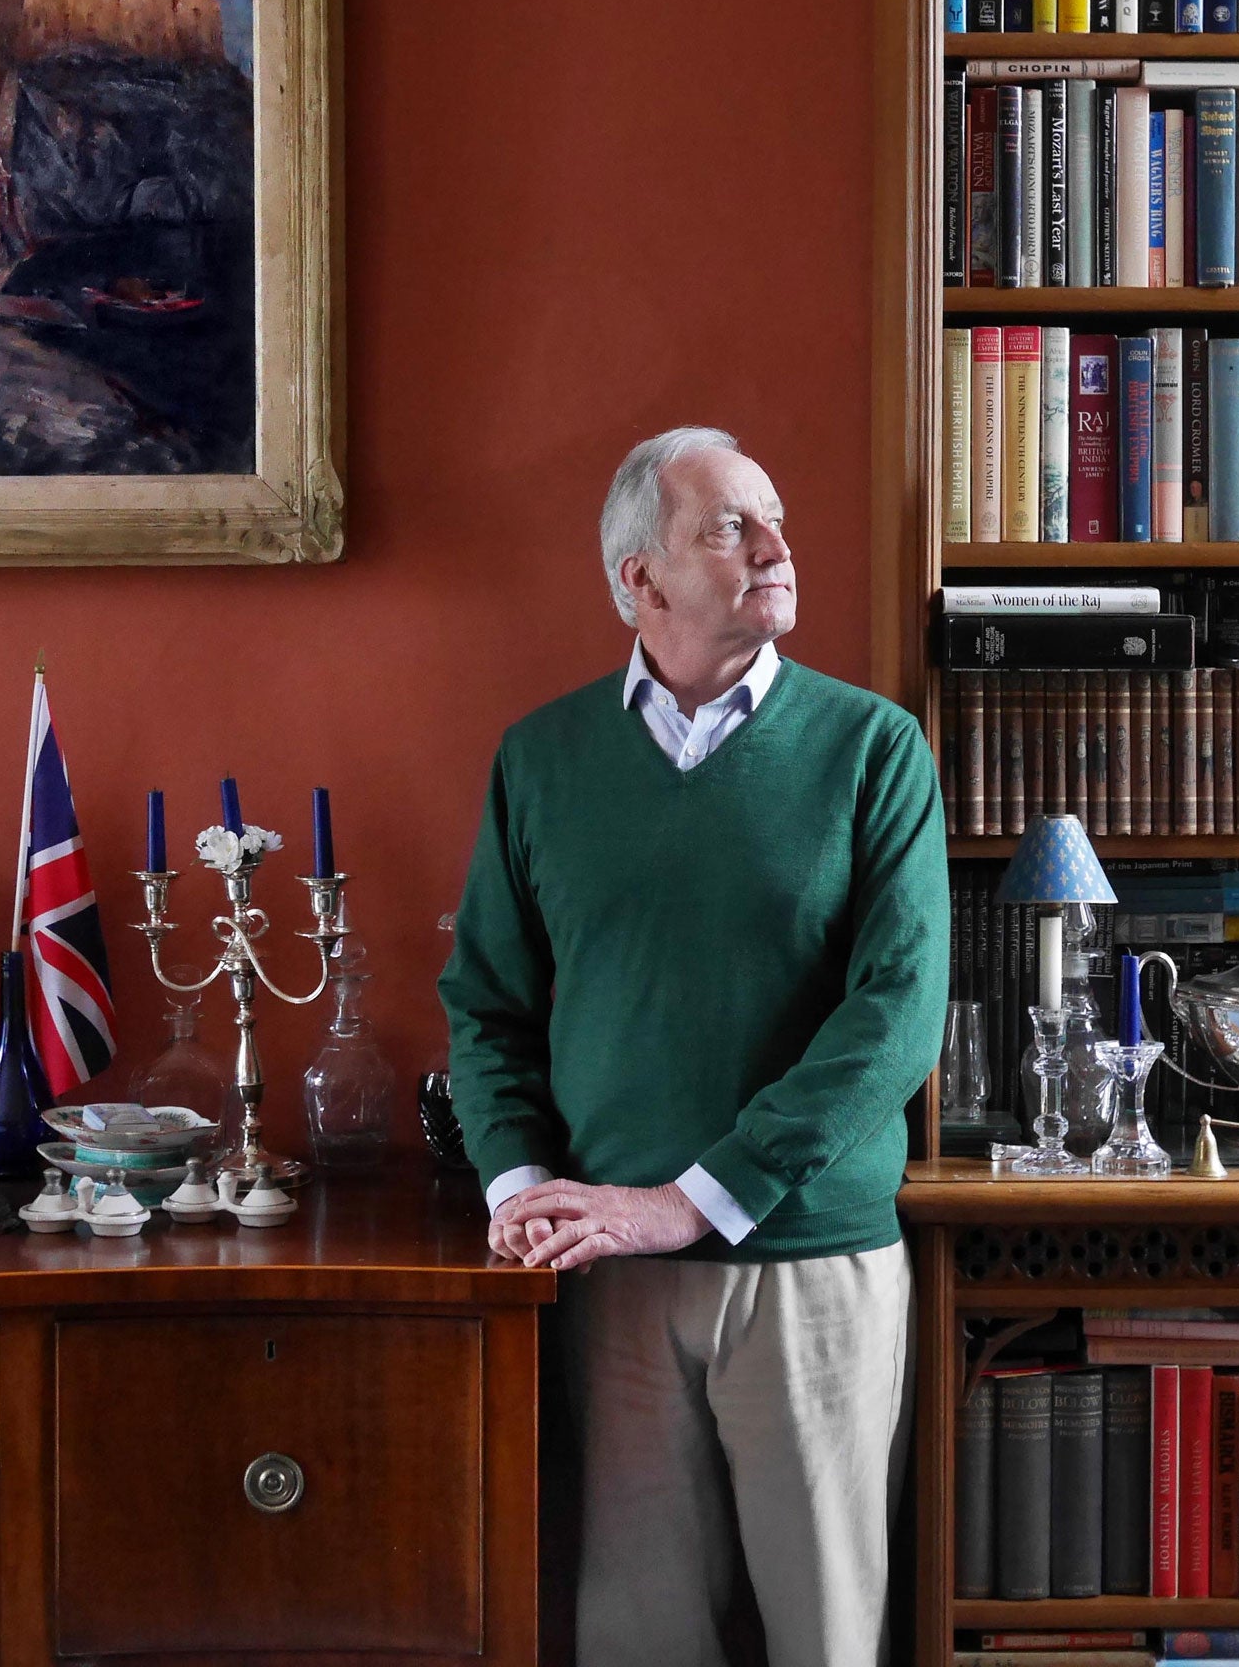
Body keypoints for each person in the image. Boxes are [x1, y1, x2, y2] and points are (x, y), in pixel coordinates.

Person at [437, 424, 951, 1667]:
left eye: (773, 521)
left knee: (826, 1633)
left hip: (813, 1265)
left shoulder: (872, 749)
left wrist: (693, 1199)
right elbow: (485, 1006)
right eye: (730, 526)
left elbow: (897, 1015)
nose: (775, 548)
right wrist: (520, 1189)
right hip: (605, 1273)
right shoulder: (542, 758)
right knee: (632, 1632)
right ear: (639, 577)